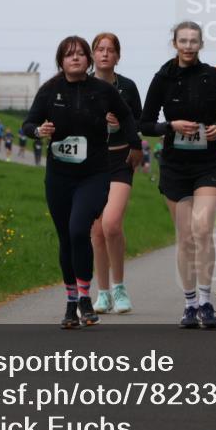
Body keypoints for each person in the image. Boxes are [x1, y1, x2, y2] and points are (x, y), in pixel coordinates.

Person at [22, 36, 142, 329]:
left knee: (79, 230)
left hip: (94, 174)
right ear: (60, 60)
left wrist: (135, 145)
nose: (75, 59)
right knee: (66, 238)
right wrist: (39, 131)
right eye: (68, 54)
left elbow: (127, 116)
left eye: (80, 54)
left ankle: (87, 297)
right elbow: (27, 125)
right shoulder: (50, 90)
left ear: (88, 60)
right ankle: (72, 301)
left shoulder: (102, 90)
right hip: (59, 176)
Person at [140, 21, 216, 329]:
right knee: (186, 237)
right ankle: (190, 303)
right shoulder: (163, 78)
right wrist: (171, 127)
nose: (189, 46)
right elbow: (145, 123)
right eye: (184, 41)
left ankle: (207, 302)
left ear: (201, 44)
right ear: (175, 43)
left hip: (209, 163)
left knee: (203, 228)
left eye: (194, 41)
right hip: (175, 166)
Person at [89, 32, 143, 315]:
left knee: (111, 224)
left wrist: (122, 121)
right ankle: (104, 293)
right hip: (92, 163)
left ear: (118, 56)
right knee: (96, 231)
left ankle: (121, 288)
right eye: (100, 49)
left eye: (110, 50)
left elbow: (138, 120)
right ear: (92, 55)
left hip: (120, 159)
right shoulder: (81, 85)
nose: (105, 54)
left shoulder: (128, 87)